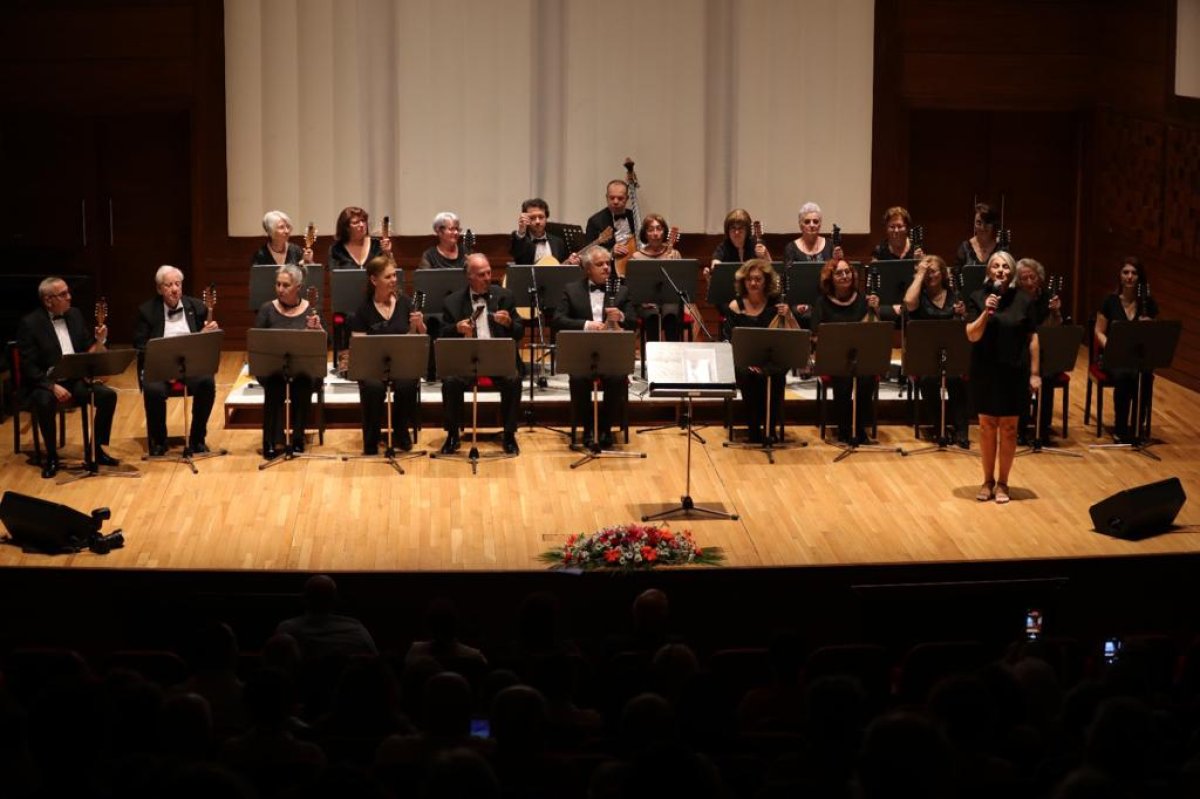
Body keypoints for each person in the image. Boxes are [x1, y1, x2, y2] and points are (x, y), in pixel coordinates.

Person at [16, 276, 119, 478]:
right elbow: (28, 366)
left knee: (108, 396)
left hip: (74, 380)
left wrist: (100, 340)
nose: (69, 297)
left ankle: (95, 449)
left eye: (68, 292)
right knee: (44, 401)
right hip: (45, 384)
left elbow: (87, 349)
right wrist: (51, 386)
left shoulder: (75, 315)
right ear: (48, 300)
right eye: (63, 294)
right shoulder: (30, 323)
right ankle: (52, 457)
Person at [966, 251, 1040, 504]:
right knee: (987, 427)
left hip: (1014, 371)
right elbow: (972, 334)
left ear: (1012, 272)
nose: (1000, 270)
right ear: (989, 271)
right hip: (985, 370)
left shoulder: (1024, 300)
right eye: (996, 266)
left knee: (1009, 429)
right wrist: (986, 312)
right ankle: (987, 481)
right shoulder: (978, 297)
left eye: (1005, 267)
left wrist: (1035, 374)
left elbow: (1032, 338)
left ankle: (1003, 483)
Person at [439, 253, 524, 455]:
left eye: (489, 272)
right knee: (450, 382)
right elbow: (441, 334)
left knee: (513, 379)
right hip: (466, 360)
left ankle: (509, 434)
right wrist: (456, 329)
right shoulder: (452, 302)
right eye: (481, 274)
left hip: (497, 358)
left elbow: (519, 332)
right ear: (469, 277)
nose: (487, 278)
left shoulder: (505, 296)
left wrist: (509, 323)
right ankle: (452, 435)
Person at [552, 245, 635, 449]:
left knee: (617, 378)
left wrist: (621, 316)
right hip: (582, 353)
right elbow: (557, 320)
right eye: (600, 264)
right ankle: (588, 428)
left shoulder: (621, 290)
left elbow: (633, 321)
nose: (606, 267)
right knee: (579, 379)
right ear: (588, 269)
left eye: (608, 263)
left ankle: (605, 428)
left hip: (612, 354)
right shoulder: (571, 290)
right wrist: (587, 325)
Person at [132, 265, 220, 456]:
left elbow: (206, 345)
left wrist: (205, 334)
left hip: (190, 366)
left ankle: (197, 438)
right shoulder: (147, 311)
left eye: (177, 284)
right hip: (160, 368)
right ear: (159, 289)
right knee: (153, 390)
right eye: (168, 285)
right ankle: (158, 441)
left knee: (207, 382)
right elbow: (140, 346)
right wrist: (166, 368)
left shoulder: (197, 307)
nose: (174, 289)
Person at [348, 255, 424, 455]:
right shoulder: (363, 310)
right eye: (388, 276)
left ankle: (401, 432)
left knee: (407, 384)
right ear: (374, 280)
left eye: (394, 275)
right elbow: (358, 346)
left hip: (401, 365)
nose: (393, 280)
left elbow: (417, 340)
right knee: (373, 387)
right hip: (373, 367)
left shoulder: (405, 303)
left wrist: (418, 326)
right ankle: (371, 439)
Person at [252, 264, 324, 459]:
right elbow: (257, 342)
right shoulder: (267, 309)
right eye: (278, 284)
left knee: (303, 383)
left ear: (298, 287)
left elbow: (326, 344)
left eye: (285, 285)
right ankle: (270, 440)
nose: (280, 289)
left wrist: (317, 330)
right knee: (274, 384)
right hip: (274, 368)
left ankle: (298, 438)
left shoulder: (312, 310)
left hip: (303, 370)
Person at [810, 258, 886, 444]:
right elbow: (815, 334)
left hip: (860, 356)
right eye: (839, 273)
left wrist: (876, 310)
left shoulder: (863, 301)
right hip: (835, 357)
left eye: (847, 272)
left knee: (866, 378)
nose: (845, 276)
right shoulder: (822, 303)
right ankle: (844, 428)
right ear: (830, 279)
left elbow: (875, 331)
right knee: (842, 379)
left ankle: (859, 427)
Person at [723, 259, 797, 443]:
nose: (753, 283)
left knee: (776, 374)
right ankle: (754, 429)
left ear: (766, 281)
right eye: (749, 279)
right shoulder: (735, 306)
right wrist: (748, 362)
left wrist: (789, 315)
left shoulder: (777, 305)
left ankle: (770, 428)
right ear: (743, 281)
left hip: (771, 360)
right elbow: (729, 341)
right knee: (748, 375)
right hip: (744, 360)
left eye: (758, 279)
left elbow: (795, 336)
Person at [903, 255, 969, 447]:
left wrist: (963, 314)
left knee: (957, 379)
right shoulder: (918, 295)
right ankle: (939, 427)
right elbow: (908, 302)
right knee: (928, 380)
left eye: (933, 271)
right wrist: (920, 273)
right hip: (926, 355)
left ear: (943, 273)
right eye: (926, 272)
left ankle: (961, 430)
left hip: (951, 354)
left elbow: (964, 325)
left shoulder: (954, 295)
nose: (929, 276)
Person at [1094, 256, 1158, 443]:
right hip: (1113, 356)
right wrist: (1113, 348)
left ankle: (1138, 426)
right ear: (1120, 276)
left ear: (1140, 277)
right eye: (1126, 272)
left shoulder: (1147, 304)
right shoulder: (1110, 301)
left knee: (1145, 375)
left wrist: (1150, 326)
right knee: (1124, 374)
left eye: (1134, 273)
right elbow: (1099, 331)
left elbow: (1155, 336)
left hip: (1137, 357)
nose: (1129, 276)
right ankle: (1121, 428)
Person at [274, 574, 378, 661]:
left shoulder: (287, 630)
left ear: (303, 599)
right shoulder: (357, 629)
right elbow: (375, 661)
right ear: (335, 600)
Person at [1015, 257, 1062, 444]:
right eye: (1024, 278)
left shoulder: (1047, 298)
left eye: (1032, 277)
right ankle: (1020, 428)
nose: (1028, 282)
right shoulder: (1015, 298)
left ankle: (1042, 429)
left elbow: (1056, 329)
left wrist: (1056, 312)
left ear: (1039, 278)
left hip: (1045, 353)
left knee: (1047, 377)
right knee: (1021, 374)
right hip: (1021, 351)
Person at [630, 213, 683, 341]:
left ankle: (673, 351)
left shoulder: (674, 254)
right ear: (645, 234)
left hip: (669, 300)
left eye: (659, 229)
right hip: (646, 302)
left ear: (665, 232)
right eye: (650, 229)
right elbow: (633, 286)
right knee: (652, 315)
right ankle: (652, 351)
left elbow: (681, 282)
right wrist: (643, 301)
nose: (655, 233)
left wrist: (674, 264)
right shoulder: (636, 257)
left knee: (670, 314)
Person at [509, 198, 578, 265]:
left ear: (546, 218)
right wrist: (521, 231)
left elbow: (560, 267)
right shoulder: (520, 240)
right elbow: (516, 253)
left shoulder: (558, 242)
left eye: (541, 217)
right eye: (532, 218)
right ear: (526, 219)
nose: (537, 221)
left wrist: (569, 262)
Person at [705, 208, 770, 276]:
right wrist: (714, 270)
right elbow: (716, 264)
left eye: (740, 228)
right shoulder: (723, 247)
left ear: (747, 230)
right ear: (728, 231)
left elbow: (772, 272)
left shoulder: (757, 244)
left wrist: (766, 255)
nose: (737, 232)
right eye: (733, 228)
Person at [584, 179, 637, 259]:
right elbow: (589, 252)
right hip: (609, 264)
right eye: (612, 198)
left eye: (620, 198)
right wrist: (611, 252)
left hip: (634, 260)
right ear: (606, 197)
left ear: (627, 198)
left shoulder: (634, 217)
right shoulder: (594, 221)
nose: (615, 202)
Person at [783, 202, 845, 266]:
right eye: (807, 222)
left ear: (820, 225)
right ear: (800, 225)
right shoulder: (791, 248)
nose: (812, 225)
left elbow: (838, 269)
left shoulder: (831, 245)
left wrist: (838, 260)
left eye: (815, 221)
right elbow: (788, 271)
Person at [953, 202, 1000, 268]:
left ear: (993, 224)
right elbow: (956, 272)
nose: (983, 227)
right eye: (979, 223)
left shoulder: (1001, 248)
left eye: (987, 222)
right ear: (974, 225)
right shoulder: (965, 248)